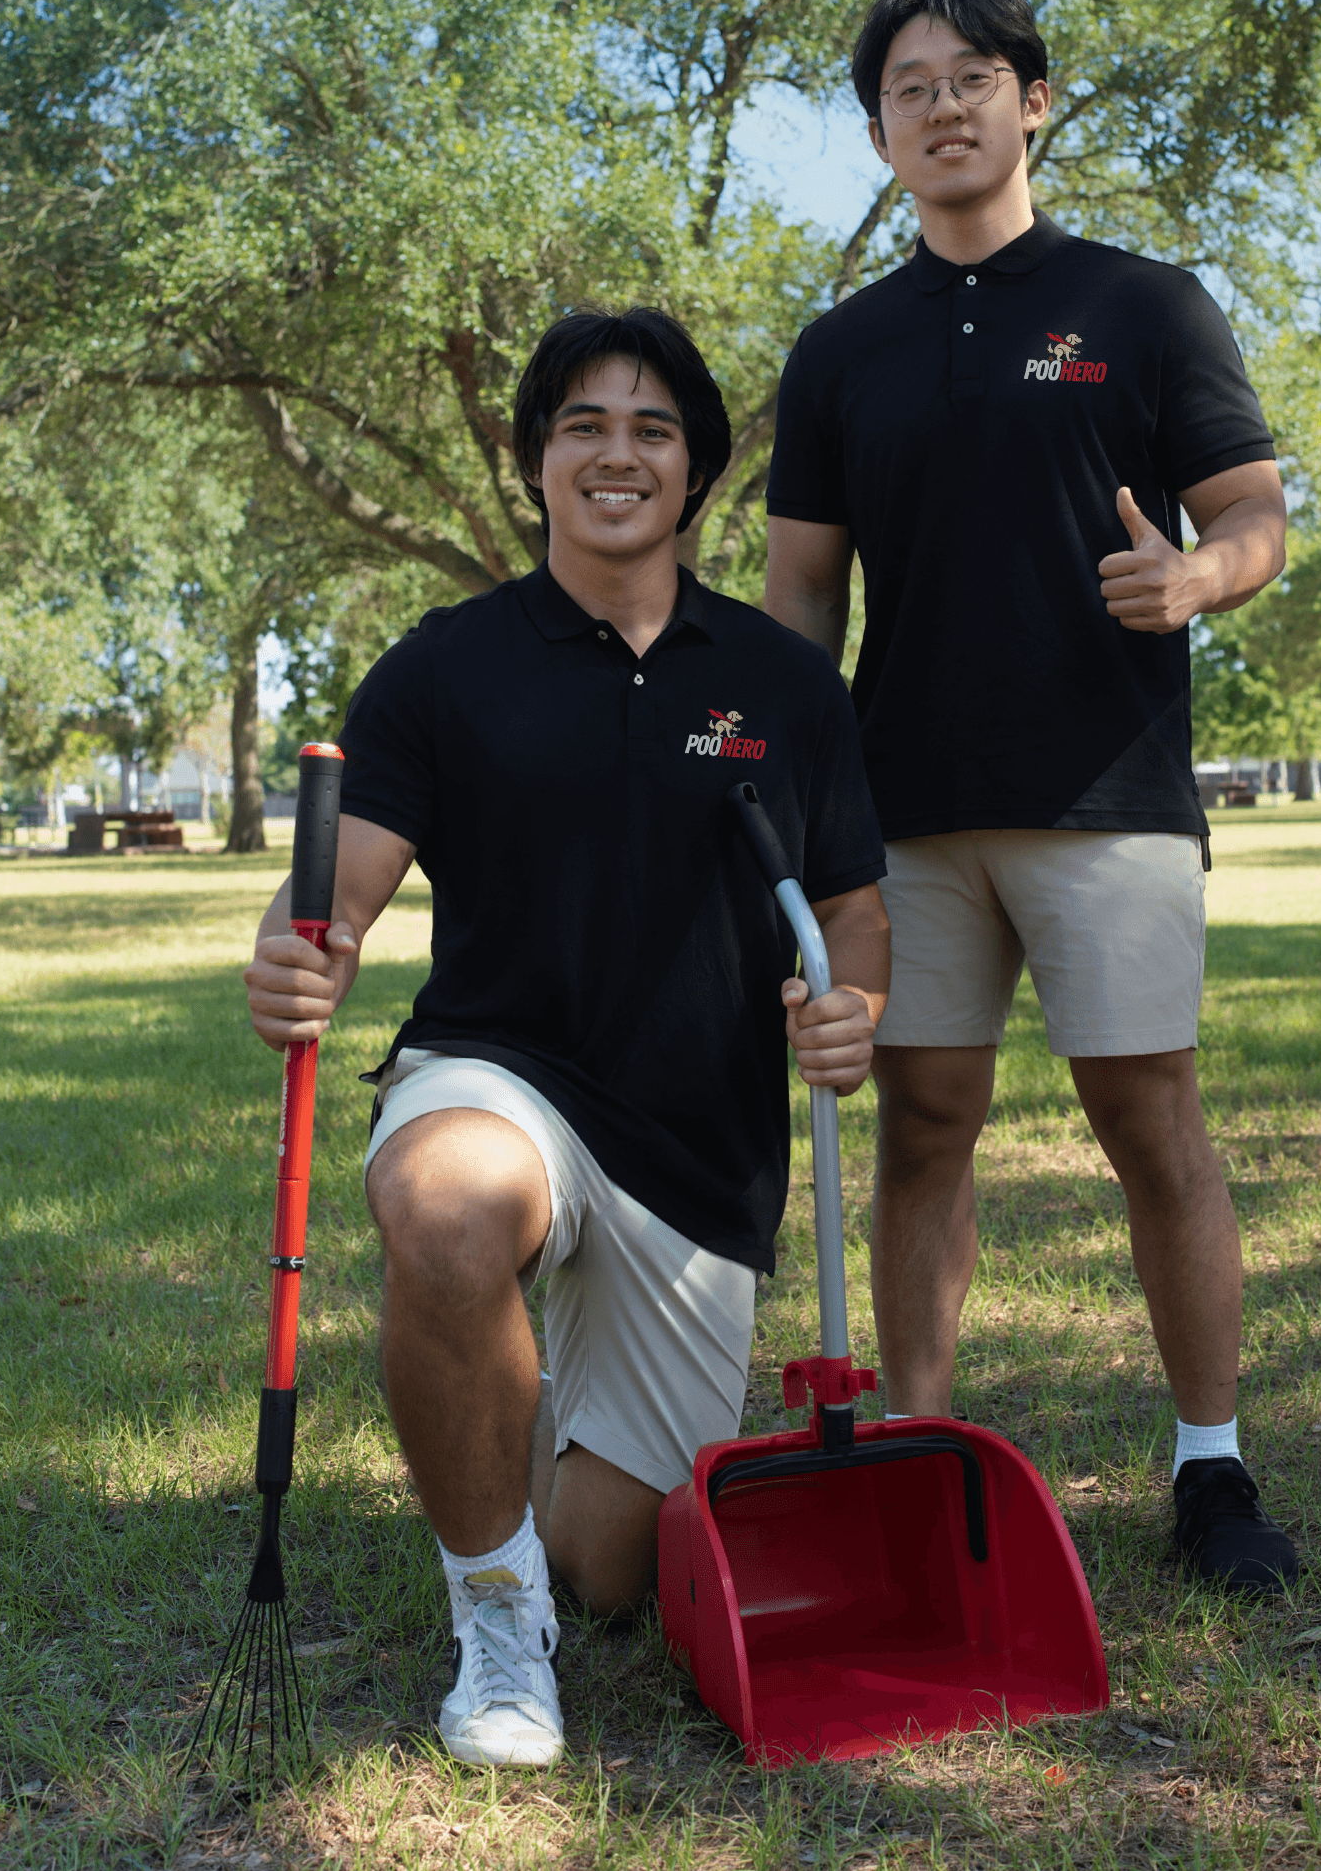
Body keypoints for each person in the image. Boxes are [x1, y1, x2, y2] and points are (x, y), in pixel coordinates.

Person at [242, 308, 890, 1766]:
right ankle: (489, 1607)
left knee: (612, 1572)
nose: (617, 453)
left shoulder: (785, 686)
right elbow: (333, 899)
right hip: (500, 1073)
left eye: (653, 429)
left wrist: (859, 1007)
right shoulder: (446, 665)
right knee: (448, 1214)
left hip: (696, 1153)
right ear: (539, 461)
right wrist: (295, 957)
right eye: (583, 425)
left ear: (698, 473)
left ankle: (508, 1449)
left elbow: (853, 908)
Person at [763, 0, 1298, 1594]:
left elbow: (1256, 514)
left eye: (974, 78)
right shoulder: (841, 347)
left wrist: (1199, 582)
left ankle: (1211, 1469)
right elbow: (800, 604)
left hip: (1109, 792)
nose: (943, 106)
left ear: (1035, 103)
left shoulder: (1147, 304)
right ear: (877, 134)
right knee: (925, 1124)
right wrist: (794, 792)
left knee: (1152, 1122)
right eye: (909, 89)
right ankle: (918, 1453)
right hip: (904, 813)